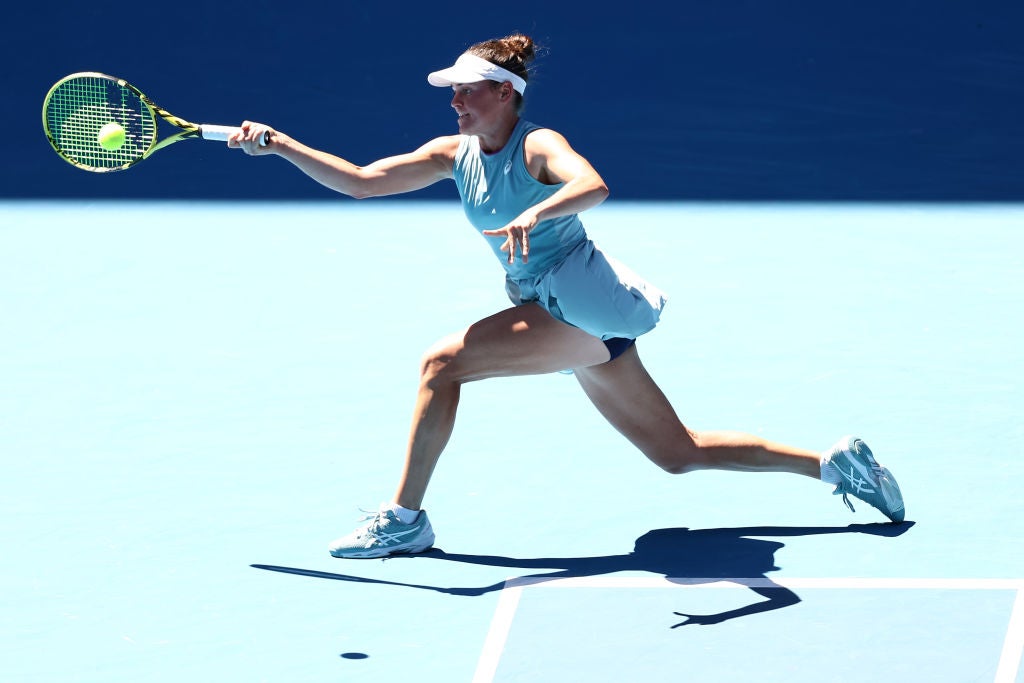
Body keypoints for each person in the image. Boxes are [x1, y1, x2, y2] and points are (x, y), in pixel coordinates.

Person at [229, 34, 905, 559]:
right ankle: (833, 464)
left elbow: (593, 184)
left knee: (441, 365)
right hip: (573, 316)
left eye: (468, 92)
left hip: (576, 307)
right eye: (453, 93)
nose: (456, 102)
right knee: (678, 453)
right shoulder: (451, 153)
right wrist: (282, 145)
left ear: (505, 94)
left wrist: (539, 213)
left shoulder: (537, 145)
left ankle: (404, 521)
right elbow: (362, 181)